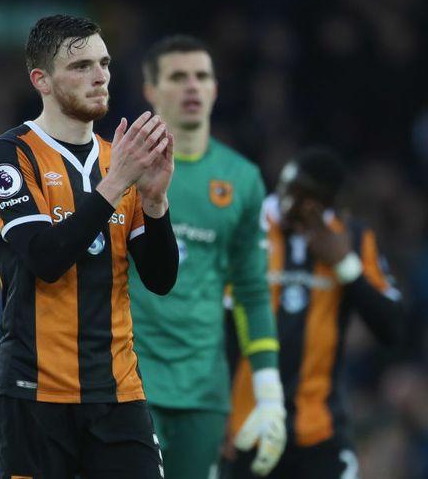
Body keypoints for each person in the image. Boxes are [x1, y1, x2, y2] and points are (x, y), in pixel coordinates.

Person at [0, 14, 179, 479]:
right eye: (81, 66)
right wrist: (116, 184)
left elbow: (160, 279)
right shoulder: (9, 155)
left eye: (104, 63)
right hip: (34, 392)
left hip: (117, 393)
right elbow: (45, 258)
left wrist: (155, 202)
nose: (100, 76)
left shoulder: (118, 160)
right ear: (42, 81)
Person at [128, 34, 286, 478]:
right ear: (151, 90)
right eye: (178, 77)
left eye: (201, 76)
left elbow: (252, 290)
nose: (192, 86)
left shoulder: (242, 179)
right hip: (130, 382)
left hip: (204, 391)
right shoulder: (119, 170)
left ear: (215, 89)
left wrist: (268, 389)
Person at [228, 147, 405, 478]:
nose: (292, 205)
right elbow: (216, 325)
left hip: (319, 429)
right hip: (247, 428)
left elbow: (393, 329)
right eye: (289, 191)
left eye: (309, 200)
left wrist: (346, 266)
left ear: (328, 204)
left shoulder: (351, 238)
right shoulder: (244, 227)